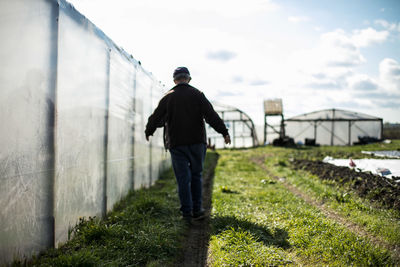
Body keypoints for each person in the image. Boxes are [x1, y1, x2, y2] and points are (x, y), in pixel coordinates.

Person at [145, 67, 231, 222]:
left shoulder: (168, 97)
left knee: (183, 178)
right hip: (197, 142)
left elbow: (155, 117)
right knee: (196, 175)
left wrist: (148, 131)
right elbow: (211, 116)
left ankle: (186, 212)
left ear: (174, 80)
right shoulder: (198, 95)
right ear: (188, 79)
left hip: (177, 144)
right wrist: (224, 132)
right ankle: (197, 210)